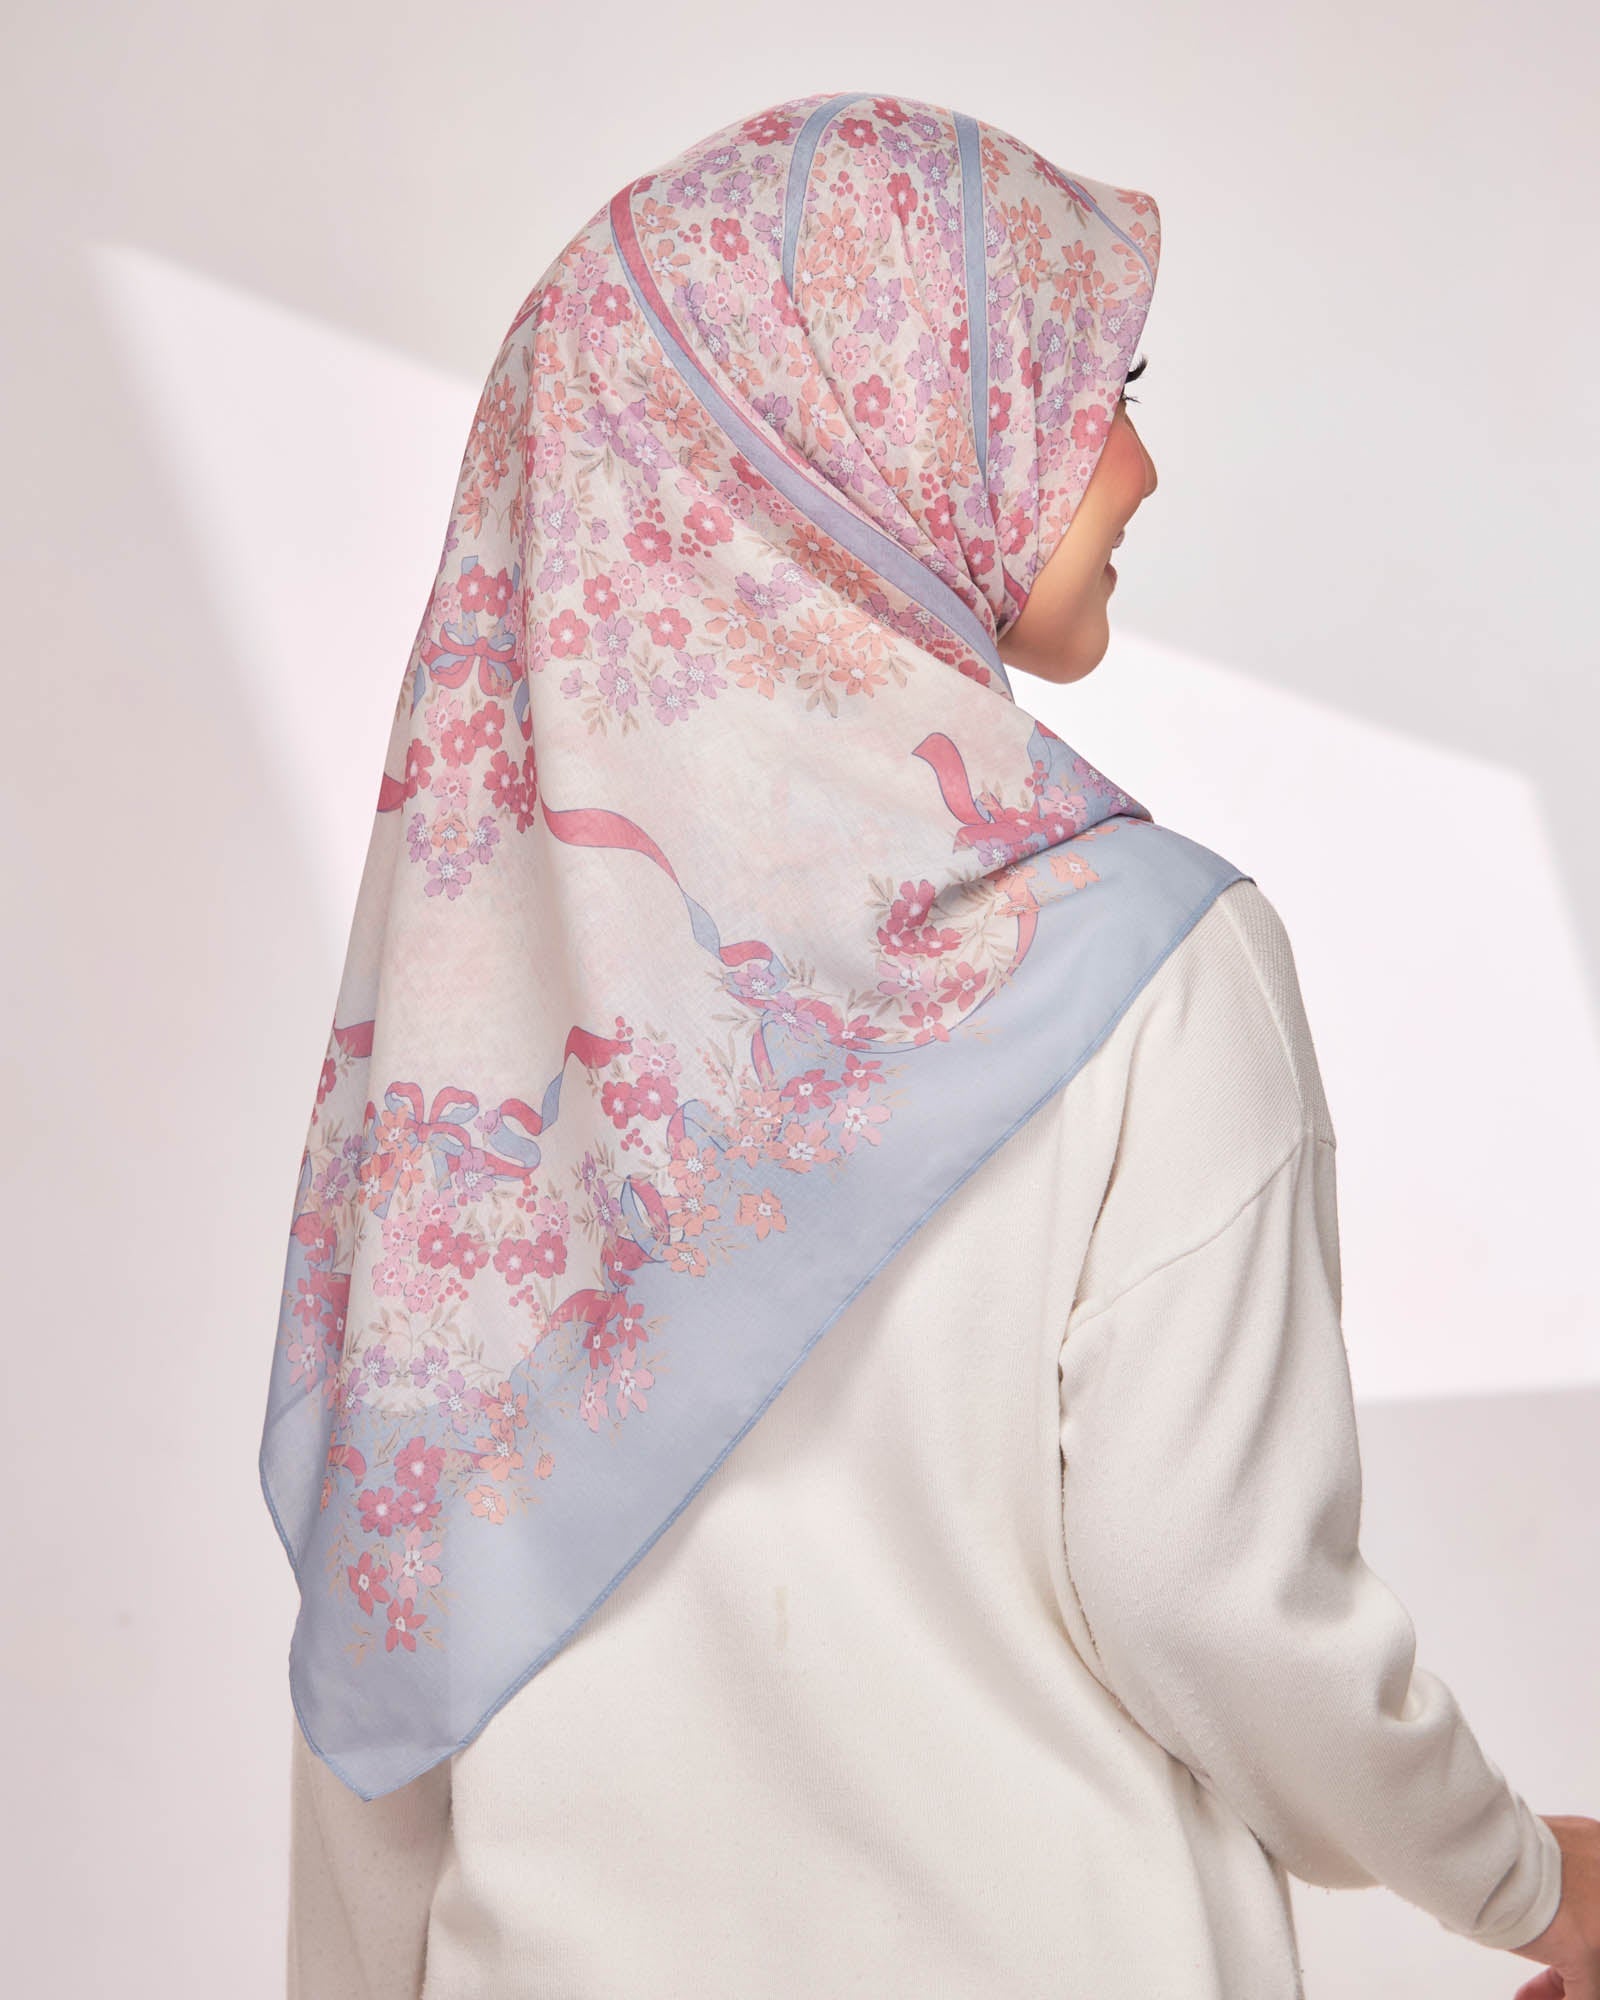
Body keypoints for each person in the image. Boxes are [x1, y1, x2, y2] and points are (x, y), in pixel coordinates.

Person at [270, 91, 1598, 1998]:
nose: (1139, 461)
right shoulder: (1150, 971)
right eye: (1086, 387)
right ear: (869, 427)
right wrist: (1528, 1883)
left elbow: (381, 1671)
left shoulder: (470, 1061)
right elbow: (1205, 1591)